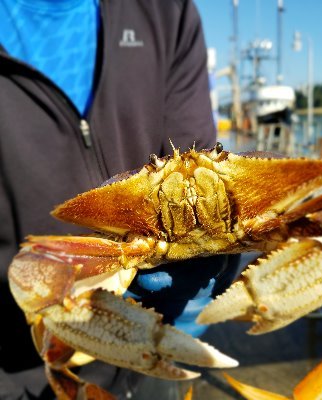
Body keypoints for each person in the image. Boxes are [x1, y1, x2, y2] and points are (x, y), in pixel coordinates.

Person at [0, 0, 241, 398]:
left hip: (155, 344)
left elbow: (193, 148)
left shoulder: (166, 11)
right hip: (20, 362)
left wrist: (215, 247)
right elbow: (31, 278)